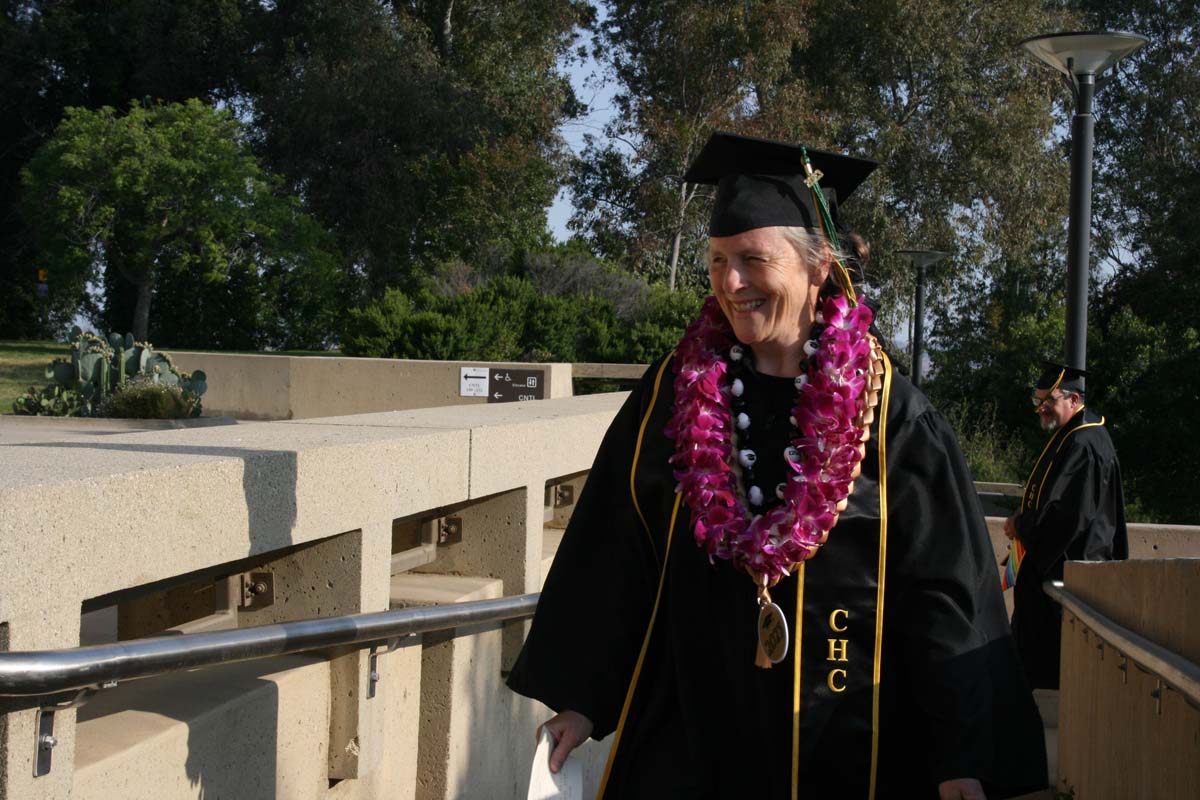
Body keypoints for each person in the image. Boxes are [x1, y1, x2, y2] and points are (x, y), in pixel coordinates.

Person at [508, 132, 1047, 799]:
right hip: (694, 726)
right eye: (717, 260)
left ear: (818, 267)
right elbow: (618, 547)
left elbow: (945, 594)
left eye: (752, 259)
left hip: (851, 734)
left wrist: (959, 754)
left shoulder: (891, 416)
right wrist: (584, 700)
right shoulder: (676, 390)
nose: (730, 283)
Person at [1003, 363, 1128, 690]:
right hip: (1055, 574)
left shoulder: (1084, 444)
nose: (1040, 408)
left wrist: (1022, 525)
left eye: (1049, 401)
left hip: (1070, 576)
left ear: (1074, 399)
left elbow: (1068, 518)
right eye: (1038, 401)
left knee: (1051, 675)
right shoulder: (1071, 435)